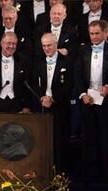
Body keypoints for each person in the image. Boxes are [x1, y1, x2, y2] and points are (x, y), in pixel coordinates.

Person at [32, 32, 73, 173]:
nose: (46, 48)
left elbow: (69, 86)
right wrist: (42, 98)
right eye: (44, 46)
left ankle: (60, 176)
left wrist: (53, 99)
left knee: (59, 143)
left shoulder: (66, 62)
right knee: (44, 142)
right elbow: (34, 85)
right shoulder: (38, 63)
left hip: (60, 108)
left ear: (56, 45)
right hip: (43, 108)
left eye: (49, 45)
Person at [75, 20, 108, 182]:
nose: (94, 37)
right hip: (87, 101)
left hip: (106, 102)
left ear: (105, 33)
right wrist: (82, 94)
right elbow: (78, 74)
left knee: (105, 138)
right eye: (91, 34)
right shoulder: (83, 50)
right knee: (89, 138)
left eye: (97, 33)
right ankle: (90, 177)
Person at [0, 32, 31, 113]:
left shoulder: (23, 60)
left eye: (14, 44)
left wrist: (26, 106)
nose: (11, 46)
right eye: (8, 43)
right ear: (1, 43)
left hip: (16, 105)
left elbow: (27, 85)